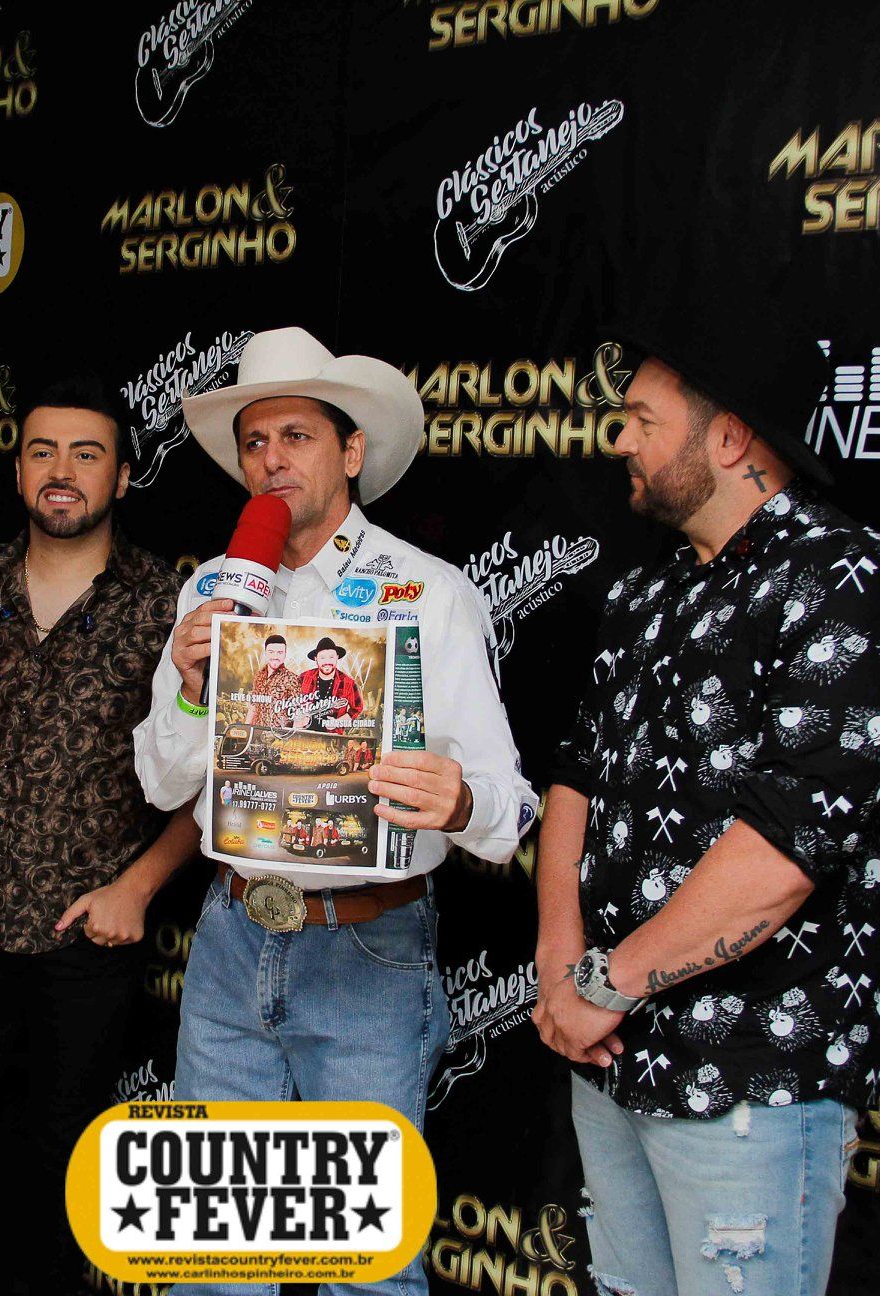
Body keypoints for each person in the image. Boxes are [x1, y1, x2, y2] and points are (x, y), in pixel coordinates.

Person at [531, 307, 880, 1296]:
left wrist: (604, 986)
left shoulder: (852, 586)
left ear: (728, 437)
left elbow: (781, 858)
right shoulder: (646, 595)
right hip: (609, 1057)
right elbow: (576, 779)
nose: (619, 440)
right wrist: (558, 962)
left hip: (752, 1083)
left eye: (642, 419)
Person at [134, 326, 539, 1296]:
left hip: (368, 949)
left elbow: (510, 807)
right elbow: (160, 783)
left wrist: (458, 799)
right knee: (212, 1259)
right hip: (233, 935)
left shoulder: (430, 593)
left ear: (350, 452)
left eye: (297, 436)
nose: (272, 459)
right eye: (255, 441)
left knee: (368, 1269)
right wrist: (189, 686)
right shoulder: (212, 591)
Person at [0, 372, 198, 1296]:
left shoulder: (172, 603)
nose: (61, 471)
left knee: (60, 1172)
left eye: (86, 453)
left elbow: (214, 772)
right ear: (19, 468)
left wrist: (136, 889)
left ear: (124, 476)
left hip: (85, 940)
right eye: (42, 451)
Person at [298, 634, 363, 732]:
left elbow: (357, 708)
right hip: (304, 733)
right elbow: (289, 703)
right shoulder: (303, 678)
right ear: (316, 658)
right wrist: (298, 717)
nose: (327, 662)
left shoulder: (348, 683)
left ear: (337, 657)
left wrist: (338, 722)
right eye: (322, 658)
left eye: (331, 657)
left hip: (332, 736)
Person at [246, 632, 302, 727]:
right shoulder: (259, 675)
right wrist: (245, 729)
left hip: (279, 734)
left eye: (280, 653)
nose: (275, 657)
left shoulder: (292, 679)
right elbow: (253, 706)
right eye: (271, 652)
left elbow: (298, 714)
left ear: (285, 654)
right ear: (265, 653)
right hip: (258, 731)